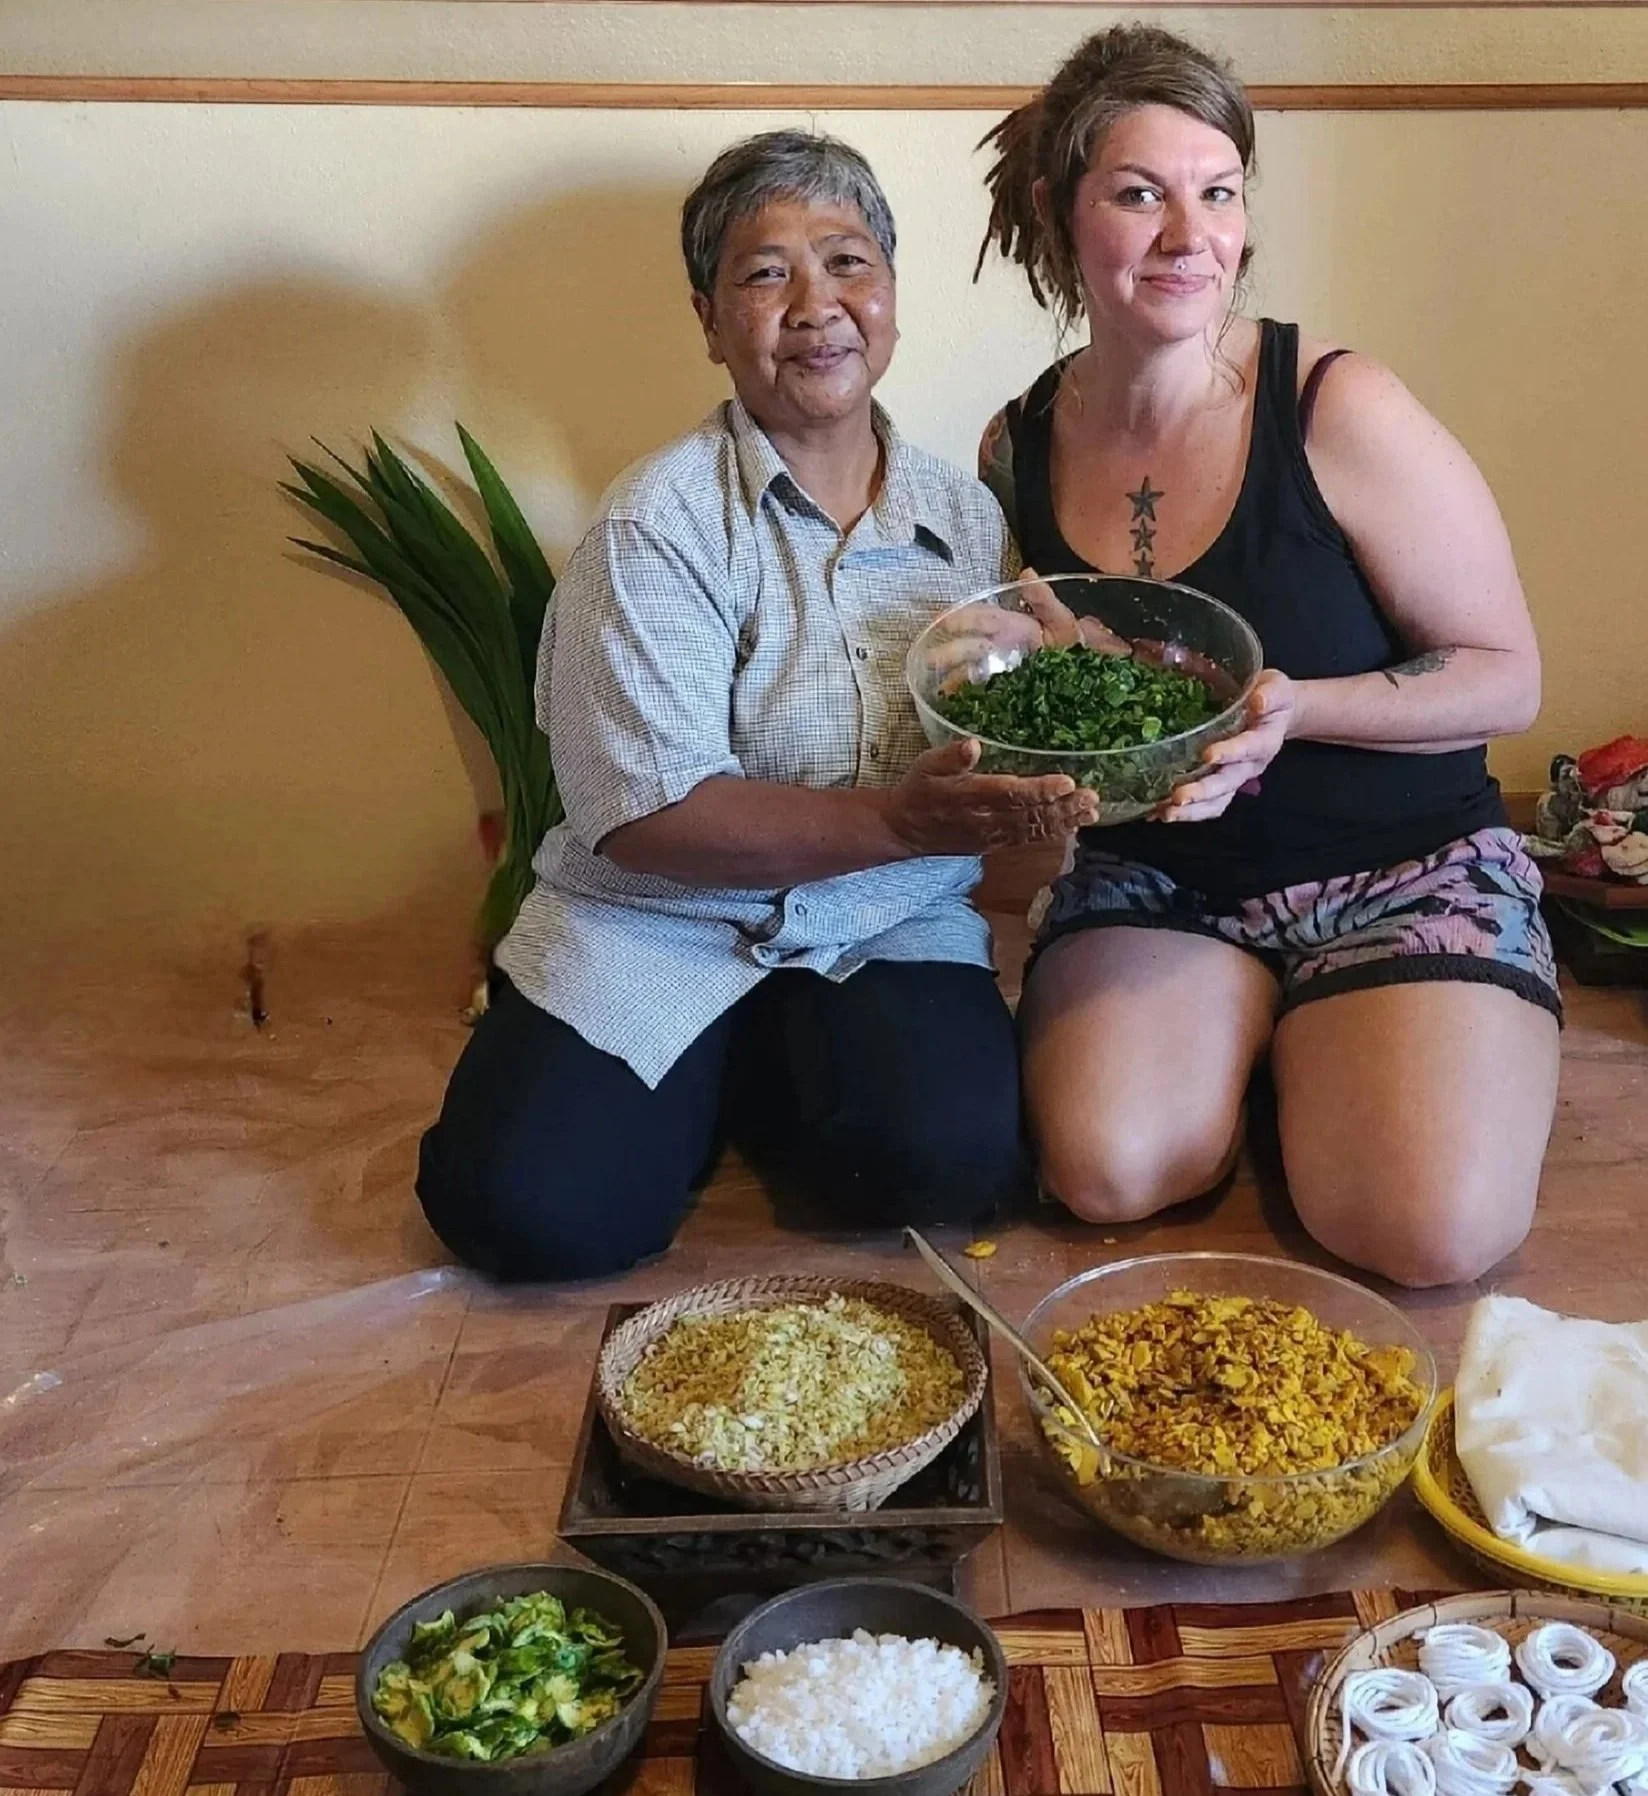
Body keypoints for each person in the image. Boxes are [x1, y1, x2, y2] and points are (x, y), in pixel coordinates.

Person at [417, 132, 1096, 1283]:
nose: (815, 305)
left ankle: (758, 1062)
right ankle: (696, 1059)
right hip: (653, 921)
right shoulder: (656, 527)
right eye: (764, 273)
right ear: (709, 317)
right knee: (523, 1216)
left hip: (877, 919)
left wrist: (1063, 698)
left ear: (888, 292)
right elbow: (645, 819)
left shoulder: (963, 517)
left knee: (941, 1165)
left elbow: (992, 735)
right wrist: (900, 823)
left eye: (846, 262)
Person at [975, 27, 1560, 1289]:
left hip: (1398, 868)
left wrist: (1291, 710)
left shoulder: (1334, 407)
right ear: (1056, 211)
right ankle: (1272, 1043)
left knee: (1423, 1235)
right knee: (1106, 1173)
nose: (1190, 234)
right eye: (1139, 193)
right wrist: (1014, 668)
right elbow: (1082, 675)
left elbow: (1504, 674)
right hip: (1161, 883)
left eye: (1218, 190)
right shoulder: (1013, 445)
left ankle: (1349, 1039)